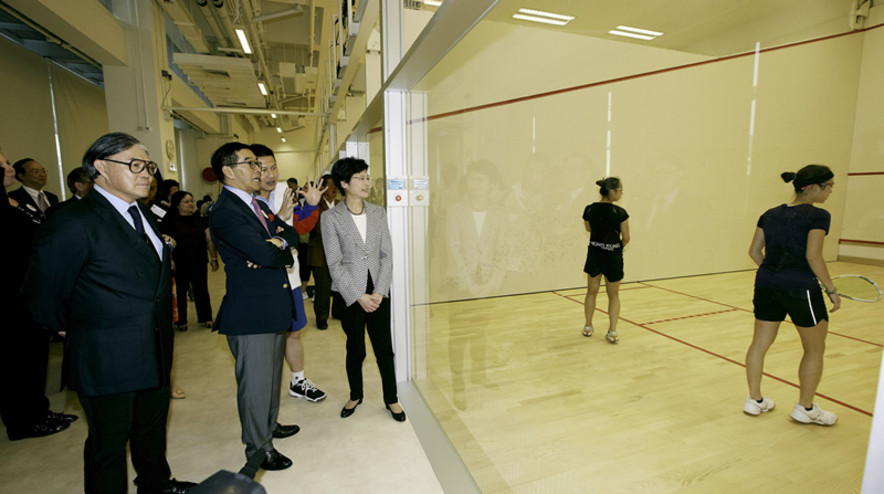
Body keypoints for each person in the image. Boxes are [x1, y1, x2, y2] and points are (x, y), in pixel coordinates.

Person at [23, 133, 195, 493]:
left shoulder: (142, 212)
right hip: (106, 355)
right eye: (134, 165)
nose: (146, 173)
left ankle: (156, 485)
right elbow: (43, 292)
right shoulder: (74, 220)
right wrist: (71, 330)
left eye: (148, 166)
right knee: (109, 445)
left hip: (155, 347)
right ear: (100, 168)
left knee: (151, 430)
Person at [208, 142, 301, 471]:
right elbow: (264, 254)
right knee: (256, 385)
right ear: (228, 171)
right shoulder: (226, 212)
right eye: (250, 164)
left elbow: (290, 235)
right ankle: (259, 448)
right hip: (250, 313)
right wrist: (273, 247)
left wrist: (276, 242)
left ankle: (269, 426)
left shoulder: (255, 205)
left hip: (271, 305)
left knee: (271, 379)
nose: (259, 170)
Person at [744, 164, 841, 425]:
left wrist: (775, 273)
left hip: (766, 284)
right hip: (801, 289)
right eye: (829, 185)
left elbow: (754, 252)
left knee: (759, 344)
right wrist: (830, 289)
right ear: (813, 187)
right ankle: (805, 408)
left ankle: (754, 399)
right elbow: (813, 255)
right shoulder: (818, 216)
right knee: (814, 349)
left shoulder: (770, 214)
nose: (831, 190)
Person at [0, 148, 76, 441]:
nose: (8, 168)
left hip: (30, 295)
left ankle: (39, 411)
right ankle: (23, 421)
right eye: (5, 164)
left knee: (33, 359)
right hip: (12, 299)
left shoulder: (15, 204)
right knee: (16, 363)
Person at [322, 157, 405, 422]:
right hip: (350, 293)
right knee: (355, 347)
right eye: (360, 178)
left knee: (384, 348)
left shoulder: (378, 212)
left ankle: (391, 398)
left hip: (378, 290)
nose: (366, 182)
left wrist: (379, 291)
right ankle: (355, 394)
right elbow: (333, 262)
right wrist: (358, 295)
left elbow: (386, 255)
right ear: (344, 183)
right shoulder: (330, 218)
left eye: (367, 177)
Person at [250, 144, 327, 403]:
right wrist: (279, 222)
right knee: (268, 339)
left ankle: (298, 381)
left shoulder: (283, 190)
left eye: (274, 167)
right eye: (262, 169)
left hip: (290, 276)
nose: (270, 174)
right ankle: (265, 394)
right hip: (264, 282)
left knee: (294, 331)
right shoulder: (245, 201)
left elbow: (299, 228)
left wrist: (312, 206)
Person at [161, 190, 219, 331]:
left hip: (199, 259)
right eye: (186, 202)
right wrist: (171, 261)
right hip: (180, 261)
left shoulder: (199, 220)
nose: (190, 204)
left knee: (202, 289)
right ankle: (181, 321)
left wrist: (213, 258)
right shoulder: (170, 222)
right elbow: (166, 243)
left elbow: (209, 239)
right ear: (177, 205)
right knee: (181, 291)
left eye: (191, 201)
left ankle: (206, 318)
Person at [582, 177, 630, 344]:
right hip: (613, 258)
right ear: (612, 191)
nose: (621, 193)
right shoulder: (620, 212)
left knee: (591, 291)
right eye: (620, 190)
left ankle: (588, 326)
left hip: (595, 254)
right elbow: (627, 238)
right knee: (613, 295)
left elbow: (589, 228)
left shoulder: (589, 209)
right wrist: (614, 248)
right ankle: (612, 331)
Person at [307, 173, 345, 329]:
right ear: (322, 188)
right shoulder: (315, 205)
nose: (335, 189)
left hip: (340, 255)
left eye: (337, 186)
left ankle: (338, 312)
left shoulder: (341, 204)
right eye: (332, 186)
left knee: (340, 285)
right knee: (323, 288)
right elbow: (316, 229)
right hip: (320, 254)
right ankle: (321, 318)